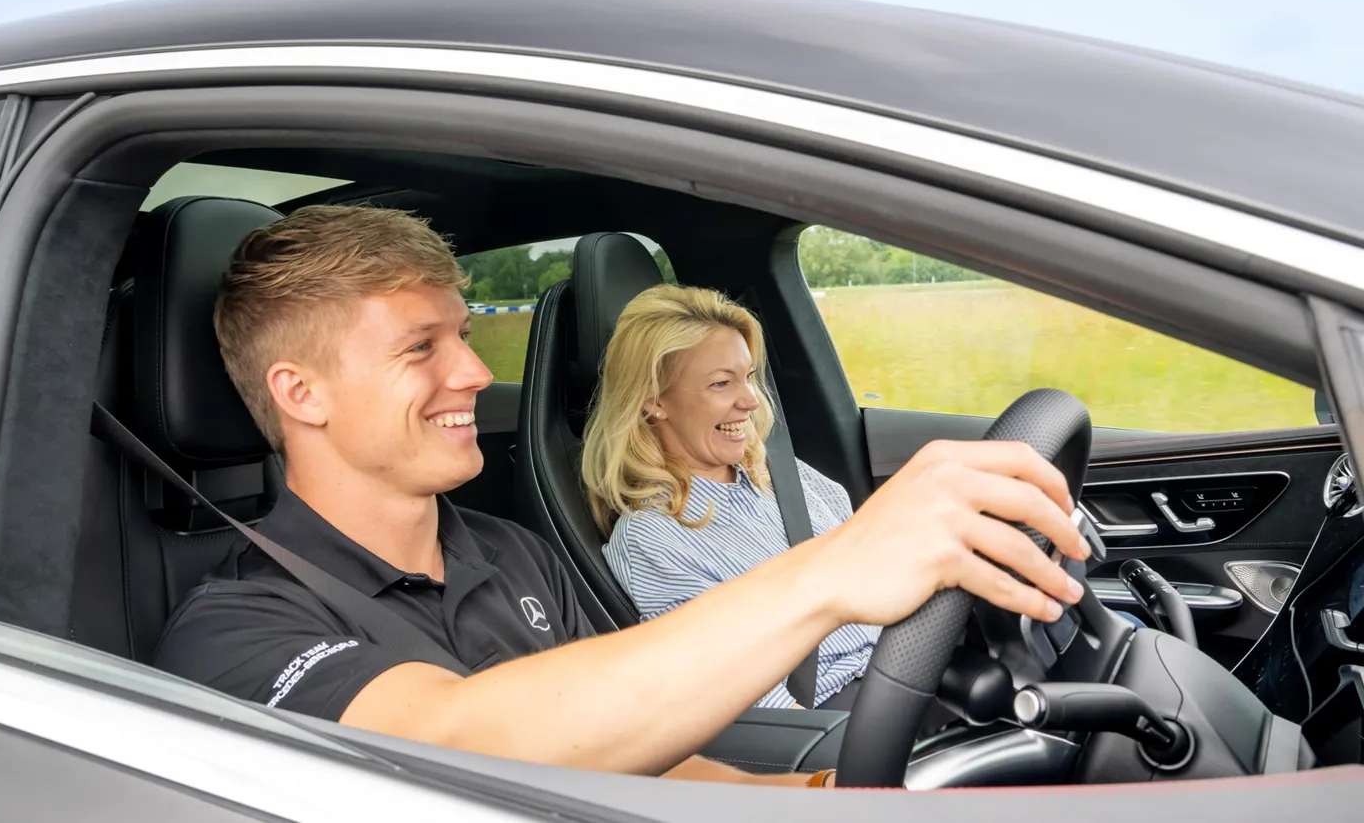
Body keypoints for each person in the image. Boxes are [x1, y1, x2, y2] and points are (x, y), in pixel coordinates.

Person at [152, 206, 1090, 787]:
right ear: (299, 393)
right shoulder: (234, 629)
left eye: (465, 335)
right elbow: (453, 739)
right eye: (419, 349)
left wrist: (819, 801)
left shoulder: (507, 551)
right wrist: (835, 572)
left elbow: (657, 756)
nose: (477, 373)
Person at [582, 284, 875, 711]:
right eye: (721, 384)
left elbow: (870, 563)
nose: (750, 401)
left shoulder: (782, 475)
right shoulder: (653, 537)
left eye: (749, 376)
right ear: (653, 401)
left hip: (908, 672)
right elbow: (731, 688)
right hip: (837, 719)